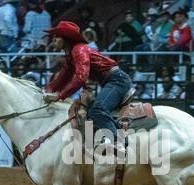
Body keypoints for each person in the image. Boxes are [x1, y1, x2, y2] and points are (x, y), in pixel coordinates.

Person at [43, 21, 132, 152]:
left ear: (66, 38)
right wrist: (47, 90)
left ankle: (119, 142)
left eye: (57, 36)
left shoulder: (79, 50)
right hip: (112, 81)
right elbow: (62, 77)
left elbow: (81, 77)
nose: (53, 39)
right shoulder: (71, 55)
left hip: (117, 81)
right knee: (94, 109)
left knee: (97, 109)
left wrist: (59, 96)